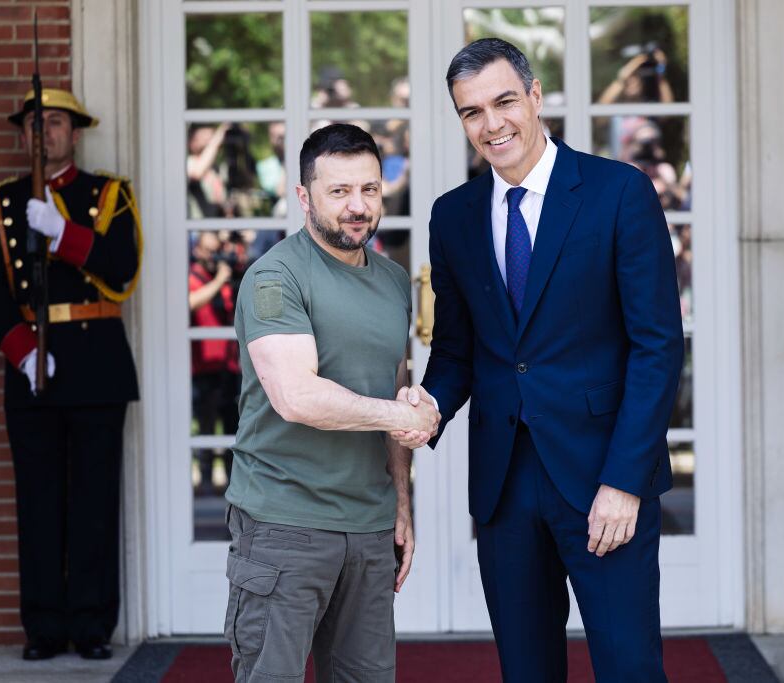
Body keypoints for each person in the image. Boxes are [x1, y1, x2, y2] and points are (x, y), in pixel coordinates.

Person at [399, 39, 684, 681]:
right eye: (472, 112)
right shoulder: (453, 216)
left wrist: (625, 481)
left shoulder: (619, 193)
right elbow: (456, 351)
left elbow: (657, 345)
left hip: (604, 479)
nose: (491, 124)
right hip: (505, 485)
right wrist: (431, 403)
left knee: (629, 668)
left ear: (535, 97)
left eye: (504, 101)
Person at [222, 123, 439, 682]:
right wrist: (404, 416)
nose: (357, 207)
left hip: (367, 527)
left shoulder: (392, 281)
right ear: (303, 197)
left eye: (368, 189)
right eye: (338, 192)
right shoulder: (275, 277)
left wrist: (401, 502)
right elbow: (297, 397)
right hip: (282, 524)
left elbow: (393, 388)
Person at [0, 89, 142, 660]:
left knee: (94, 501)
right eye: (32, 123)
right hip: (32, 369)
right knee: (39, 501)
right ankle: (44, 629)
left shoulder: (108, 195)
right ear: (22, 136)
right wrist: (23, 352)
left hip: (95, 361)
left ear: (75, 133)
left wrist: (62, 232)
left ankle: (92, 626)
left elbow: (123, 270)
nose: (42, 132)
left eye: (54, 122)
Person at [189, 232, 241, 497]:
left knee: (232, 428)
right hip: (202, 367)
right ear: (197, 250)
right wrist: (220, 280)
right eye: (209, 251)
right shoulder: (192, 276)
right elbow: (190, 303)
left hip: (228, 366)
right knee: (205, 426)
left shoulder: (221, 279)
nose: (214, 257)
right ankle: (204, 484)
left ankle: (231, 487)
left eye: (217, 250)